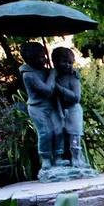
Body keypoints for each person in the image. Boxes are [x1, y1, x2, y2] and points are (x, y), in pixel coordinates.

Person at [19, 42, 61, 171]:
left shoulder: (44, 70)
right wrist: (52, 74)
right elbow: (47, 90)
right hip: (37, 107)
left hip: (50, 105)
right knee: (46, 133)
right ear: (30, 59)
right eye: (40, 57)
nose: (44, 59)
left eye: (44, 56)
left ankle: (59, 157)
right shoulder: (28, 75)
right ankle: (46, 159)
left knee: (59, 130)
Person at [51, 47, 89, 168]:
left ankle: (76, 158)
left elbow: (76, 97)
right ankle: (59, 159)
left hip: (73, 109)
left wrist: (59, 88)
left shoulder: (73, 77)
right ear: (55, 62)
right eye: (64, 62)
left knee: (75, 134)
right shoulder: (53, 76)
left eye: (70, 62)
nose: (68, 65)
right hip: (59, 109)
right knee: (59, 134)